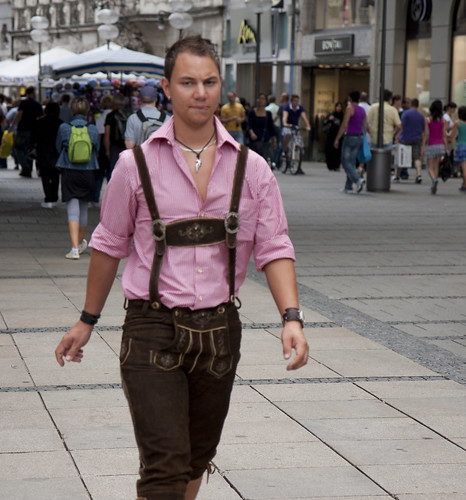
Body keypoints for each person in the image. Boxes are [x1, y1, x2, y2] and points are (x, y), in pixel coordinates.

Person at [54, 35, 309, 500]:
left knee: (195, 457)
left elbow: (274, 246)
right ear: (167, 88)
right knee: (165, 468)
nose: (200, 92)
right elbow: (109, 245)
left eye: (209, 82)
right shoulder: (134, 166)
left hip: (219, 331)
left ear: (221, 86)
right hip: (152, 328)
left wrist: (291, 317)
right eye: (188, 82)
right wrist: (86, 320)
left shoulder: (253, 170)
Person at [56, 96, 100, 259]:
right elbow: (97, 148)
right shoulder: (93, 129)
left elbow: (58, 147)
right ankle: (80, 244)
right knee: (83, 208)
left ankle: (74, 249)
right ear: (87, 110)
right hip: (88, 171)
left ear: (72, 110)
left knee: (72, 209)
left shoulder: (64, 128)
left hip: (69, 170)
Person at [334, 90, 366, 194]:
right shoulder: (362, 110)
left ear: (350, 99)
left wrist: (337, 138)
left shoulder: (350, 108)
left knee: (345, 161)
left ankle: (358, 179)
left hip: (350, 137)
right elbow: (366, 126)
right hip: (360, 137)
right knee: (351, 162)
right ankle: (348, 187)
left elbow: (344, 124)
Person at [31, 102, 62, 208]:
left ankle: (48, 197)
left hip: (43, 152)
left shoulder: (39, 122)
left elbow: (33, 138)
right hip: (56, 152)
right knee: (55, 175)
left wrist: (32, 149)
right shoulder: (60, 123)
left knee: (45, 176)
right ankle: (54, 196)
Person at [8, 86, 43, 178]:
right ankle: (28, 168)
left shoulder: (23, 103)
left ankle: (25, 167)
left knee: (18, 147)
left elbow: (19, 115)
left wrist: (11, 127)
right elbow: (40, 118)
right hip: (34, 130)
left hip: (23, 128)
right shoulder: (37, 104)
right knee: (29, 149)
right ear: (33, 93)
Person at [421, 99, 449, 195]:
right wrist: (446, 148)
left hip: (431, 145)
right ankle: (435, 182)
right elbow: (444, 135)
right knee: (436, 166)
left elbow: (426, 134)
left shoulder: (428, 120)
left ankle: (433, 179)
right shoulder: (443, 121)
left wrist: (423, 147)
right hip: (440, 145)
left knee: (429, 167)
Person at [395, 98, 425, 184]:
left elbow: (401, 126)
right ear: (418, 105)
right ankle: (418, 174)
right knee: (416, 157)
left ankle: (397, 175)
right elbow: (423, 129)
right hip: (417, 138)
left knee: (401, 157)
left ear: (411, 104)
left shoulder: (405, 113)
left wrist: (396, 136)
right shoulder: (421, 116)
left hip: (405, 138)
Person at [247, 92, 277, 165]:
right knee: (254, 160)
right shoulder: (252, 112)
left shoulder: (268, 114)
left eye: (262, 99)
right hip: (254, 140)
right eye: (259, 98)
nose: (260, 100)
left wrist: (274, 140)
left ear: (266, 101)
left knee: (264, 160)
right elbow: (249, 125)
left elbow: (271, 127)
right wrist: (252, 133)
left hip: (265, 139)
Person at [94, 95, 113, 205]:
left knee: (99, 175)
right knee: (111, 174)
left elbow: (99, 136)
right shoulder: (116, 116)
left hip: (101, 147)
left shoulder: (100, 118)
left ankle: (95, 198)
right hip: (113, 146)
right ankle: (111, 200)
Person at [104, 92, 129, 171]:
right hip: (127, 146)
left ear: (114, 103)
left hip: (114, 148)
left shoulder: (110, 116)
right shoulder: (129, 115)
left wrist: (107, 151)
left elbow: (106, 136)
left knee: (115, 172)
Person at [322, 101, 344, 171]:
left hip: (339, 135)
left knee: (337, 151)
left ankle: (336, 165)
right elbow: (324, 122)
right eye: (337, 106)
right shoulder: (332, 115)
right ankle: (330, 165)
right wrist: (329, 119)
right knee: (329, 150)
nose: (338, 108)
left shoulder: (342, 116)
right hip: (331, 135)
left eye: (340, 107)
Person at [453, 106, 466, 193]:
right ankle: (464, 185)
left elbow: (451, 135)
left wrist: (446, 134)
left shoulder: (458, 123)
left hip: (461, 146)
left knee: (464, 168)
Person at [265, 94, 280, 167]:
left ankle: (270, 159)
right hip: (277, 127)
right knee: (276, 144)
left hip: (269, 127)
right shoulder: (278, 108)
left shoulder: (266, 109)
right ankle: (275, 161)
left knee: (269, 144)